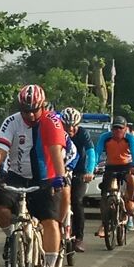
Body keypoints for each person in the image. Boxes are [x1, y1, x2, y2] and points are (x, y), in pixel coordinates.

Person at [0, 84, 67, 267]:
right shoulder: (12, 121)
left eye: (34, 110)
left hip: (45, 178)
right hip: (17, 175)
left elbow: (55, 151)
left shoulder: (52, 121)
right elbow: (0, 152)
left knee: (50, 221)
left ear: (42, 106)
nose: (30, 115)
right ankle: (13, 237)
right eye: (25, 111)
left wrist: (60, 177)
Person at [94, 116, 134, 235]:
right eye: (115, 128)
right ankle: (104, 223)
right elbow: (97, 152)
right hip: (111, 166)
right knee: (105, 196)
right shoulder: (105, 137)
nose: (117, 131)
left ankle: (130, 201)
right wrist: (93, 165)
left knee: (131, 179)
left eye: (120, 128)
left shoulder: (130, 138)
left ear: (125, 129)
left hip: (126, 166)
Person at [59, 107, 95, 253]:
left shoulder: (83, 134)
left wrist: (89, 171)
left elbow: (91, 152)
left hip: (79, 173)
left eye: (74, 126)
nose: (70, 129)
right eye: (67, 126)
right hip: (60, 171)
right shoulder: (57, 132)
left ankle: (79, 238)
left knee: (76, 201)